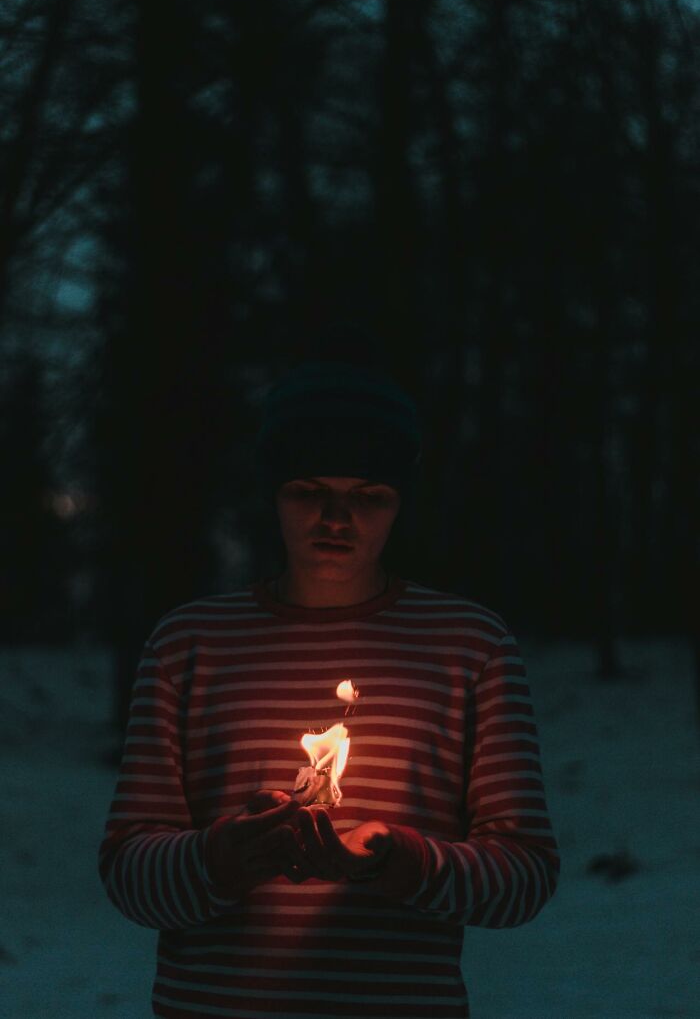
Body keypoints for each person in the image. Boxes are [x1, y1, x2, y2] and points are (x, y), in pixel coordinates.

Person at [98, 349, 560, 1018]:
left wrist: (396, 861)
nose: (336, 519)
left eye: (369, 497)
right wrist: (221, 858)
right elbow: (127, 873)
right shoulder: (190, 643)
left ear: (402, 503)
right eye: (308, 490)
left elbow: (524, 875)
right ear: (273, 494)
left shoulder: (468, 645)